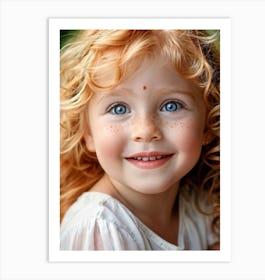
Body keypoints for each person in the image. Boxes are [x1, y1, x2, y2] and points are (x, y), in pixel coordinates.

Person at [60, 30, 220, 250]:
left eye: (171, 105)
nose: (145, 131)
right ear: (88, 134)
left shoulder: (201, 204)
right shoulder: (100, 229)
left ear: (209, 121)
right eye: (119, 108)